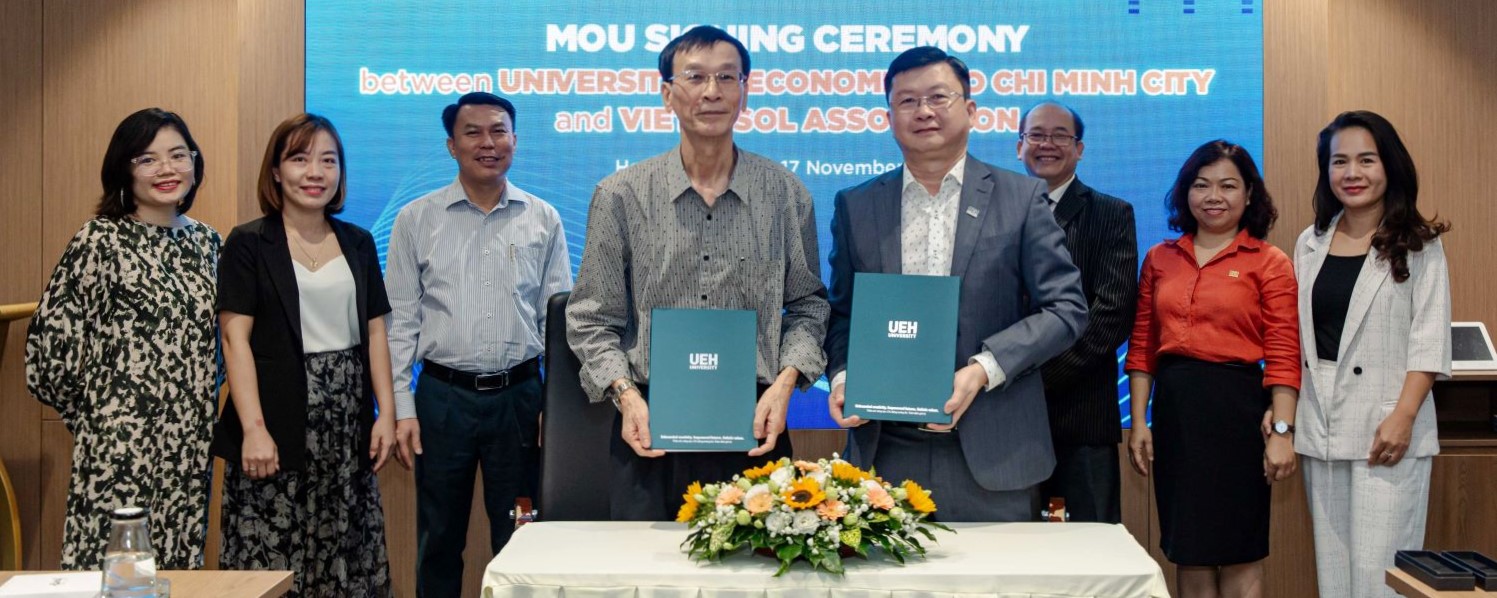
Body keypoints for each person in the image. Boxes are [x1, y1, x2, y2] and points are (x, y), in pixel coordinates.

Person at [566, 25, 828, 521]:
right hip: (649, 426)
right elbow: (590, 318)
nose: (712, 92)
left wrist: (786, 383)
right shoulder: (621, 195)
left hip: (754, 425)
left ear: (745, 91)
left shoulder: (785, 194)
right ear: (668, 93)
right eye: (696, 77)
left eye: (727, 77)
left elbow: (810, 305)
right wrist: (625, 397)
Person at [823, 47, 1088, 522]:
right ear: (889, 117)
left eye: (937, 97)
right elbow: (842, 313)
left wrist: (985, 367)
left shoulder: (1022, 196)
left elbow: (1066, 308)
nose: (923, 111)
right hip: (885, 449)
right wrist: (844, 376)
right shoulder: (856, 206)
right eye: (907, 101)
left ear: (970, 110)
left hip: (995, 447)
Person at [386, 92, 572, 595]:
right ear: (451, 145)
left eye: (498, 131)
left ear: (515, 140)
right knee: (439, 535)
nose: (487, 143)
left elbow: (556, 322)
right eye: (473, 132)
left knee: (521, 535)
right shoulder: (416, 220)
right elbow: (400, 323)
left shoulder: (543, 218)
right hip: (442, 400)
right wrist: (402, 408)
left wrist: (554, 408)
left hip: (520, 399)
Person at [25, 108, 219, 570]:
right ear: (123, 169)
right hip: (117, 449)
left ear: (195, 162)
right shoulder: (99, 241)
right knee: (114, 572)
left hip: (188, 449)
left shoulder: (209, 244)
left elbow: (221, 347)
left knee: (176, 572)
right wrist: (103, 419)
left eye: (178, 155)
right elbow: (47, 355)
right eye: (147, 159)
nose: (167, 169)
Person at [213, 113, 393, 596]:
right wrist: (253, 429)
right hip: (275, 421)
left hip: (345, 423)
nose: (315, 172)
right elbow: (235, 341)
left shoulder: (357, 241)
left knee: (347, 557)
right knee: (271, 559)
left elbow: (376, 333)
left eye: (328, 161)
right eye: (300, 158)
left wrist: (386, 415)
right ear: (276, 171)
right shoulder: (248, 242)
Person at [1126, 140, 1299, 597]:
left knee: (1241, 551)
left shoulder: (1269, 262)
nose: (1213, 196)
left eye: (1227, 185)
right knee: (1191, 550)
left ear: (1249, 195)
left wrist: (1282, 431)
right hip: (1176, 412)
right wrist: (1139, 421)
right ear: (1185, 193)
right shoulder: (1160, 259)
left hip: (1239, 413)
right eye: (1201, 185)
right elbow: (1142, 346)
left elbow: (1283, 350)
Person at [1294, 110, 1450, 598]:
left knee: (1380, 581)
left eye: (1366, 159)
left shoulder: (1419, 244)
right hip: (1322, 426)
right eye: (1339, 161)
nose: (1352, 173)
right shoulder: (1310, 241)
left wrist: (1404, 416)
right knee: (1334, 578)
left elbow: (1429, 338)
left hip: (1388, 429)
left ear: (1390, 166)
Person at [1018, 101, 1138, 523]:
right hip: (1007, 423)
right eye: (1036, 135)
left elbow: (1111, 316)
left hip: (1081, 414)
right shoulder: (1000, 212)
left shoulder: (1110, 213)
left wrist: (1031, 378)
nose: (1046, 144)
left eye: (1059, 136)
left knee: (1092, 549)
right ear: (1020, 146)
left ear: (1080, 148)